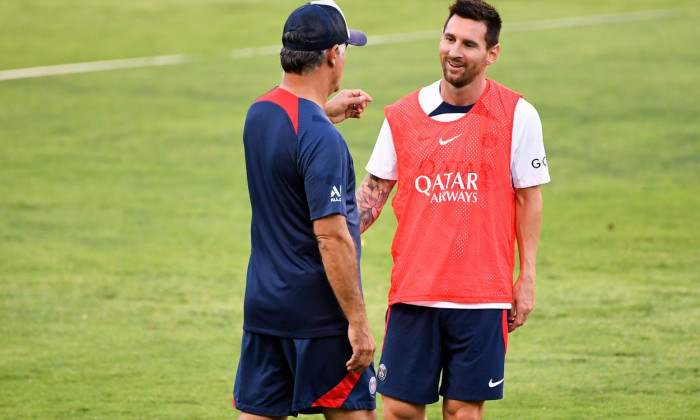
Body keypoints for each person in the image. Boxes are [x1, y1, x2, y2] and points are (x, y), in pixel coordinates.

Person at [355, 1, 550, 419]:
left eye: (468, 44)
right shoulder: (402, 115)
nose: (454, 51)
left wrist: (526, 276)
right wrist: (327, 239)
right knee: (400, 410)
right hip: (414, 290)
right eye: (448, 39)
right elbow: (373, 193)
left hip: (482, 294)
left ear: (491, 54)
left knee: (464, 411)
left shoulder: (518, 115)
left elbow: (528, 198)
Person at [233, 1, 377, 419]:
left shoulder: (258, 114)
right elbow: (331, 237)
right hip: (318, 317)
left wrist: (321, 116)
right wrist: (358, 323)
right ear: (334, 54)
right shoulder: (320, 139)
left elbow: (288, 155)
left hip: (264, 307)